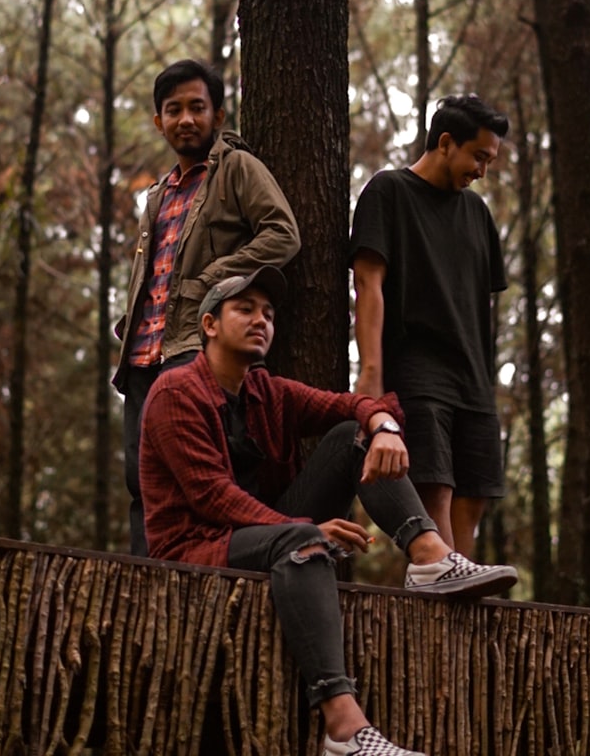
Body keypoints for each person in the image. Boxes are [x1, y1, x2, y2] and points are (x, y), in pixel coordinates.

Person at [139, 266, 517, 756]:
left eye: (270, 314)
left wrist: (383, 425)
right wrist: (303, 527)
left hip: (265, 531)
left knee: (351, 439)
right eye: (245, 309)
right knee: (301, 540)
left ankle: (428, 557)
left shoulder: (266, 391)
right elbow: (211, 497)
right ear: (210, 325)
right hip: (196, 545)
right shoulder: (176, 392)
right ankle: (343, 731)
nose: (262, 321)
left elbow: (350, 404)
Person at [112, 59, 301, 555]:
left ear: (218, 115)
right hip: (141, 358)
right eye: (173, 110)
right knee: (142, 481)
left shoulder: (236, 169)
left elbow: (283, 235)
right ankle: (144, 584)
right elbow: (154, 270)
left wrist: (214, 281)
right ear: (159, 122)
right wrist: (128, 319)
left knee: (209, 476)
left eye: (198, 107)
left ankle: (213, 577)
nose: (185, 119)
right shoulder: (158, 195)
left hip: (197, 346)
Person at [349, 94, 510, 559]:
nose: (483, 170)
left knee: (474, 494)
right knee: (434, 489)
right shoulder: (388, 192)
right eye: (478, 156)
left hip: (474, 379)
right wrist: (371, 376)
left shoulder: (478, 215)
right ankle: (439, 593)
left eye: (489, 160)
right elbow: (368, 283)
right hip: (417, 370)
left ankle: (462, 609)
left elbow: (480, 303)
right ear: (445, 142)